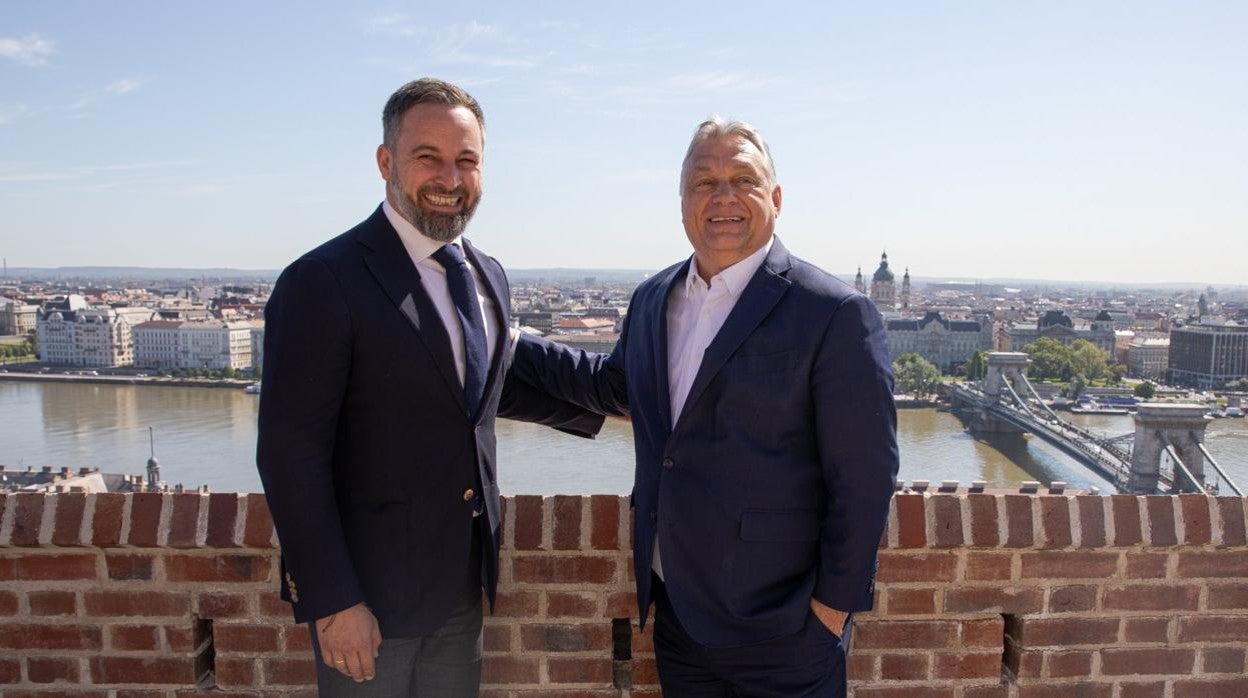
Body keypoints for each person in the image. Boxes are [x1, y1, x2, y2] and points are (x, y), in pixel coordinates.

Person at [511, 117, 898, 696]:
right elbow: (616, 387)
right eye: (704, 182)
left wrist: (829, 615)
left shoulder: (834, 312)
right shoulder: (653, 298)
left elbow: (865, 478)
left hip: (785, 629)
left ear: (776, 198)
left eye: (743, 179)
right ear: (683, 202)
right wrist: (509, 343)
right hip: (680, 617)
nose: (723, 197)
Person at [256, 78, 604, 696]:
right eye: (428, 157)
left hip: (460, 589)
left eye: (466, 159)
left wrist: (632, 401)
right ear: (386, 162)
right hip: (369, 601)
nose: (450, 177)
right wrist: (334, 602)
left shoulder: (486, 274)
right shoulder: (322, 280)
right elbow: (290, 457)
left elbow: (482, 392)